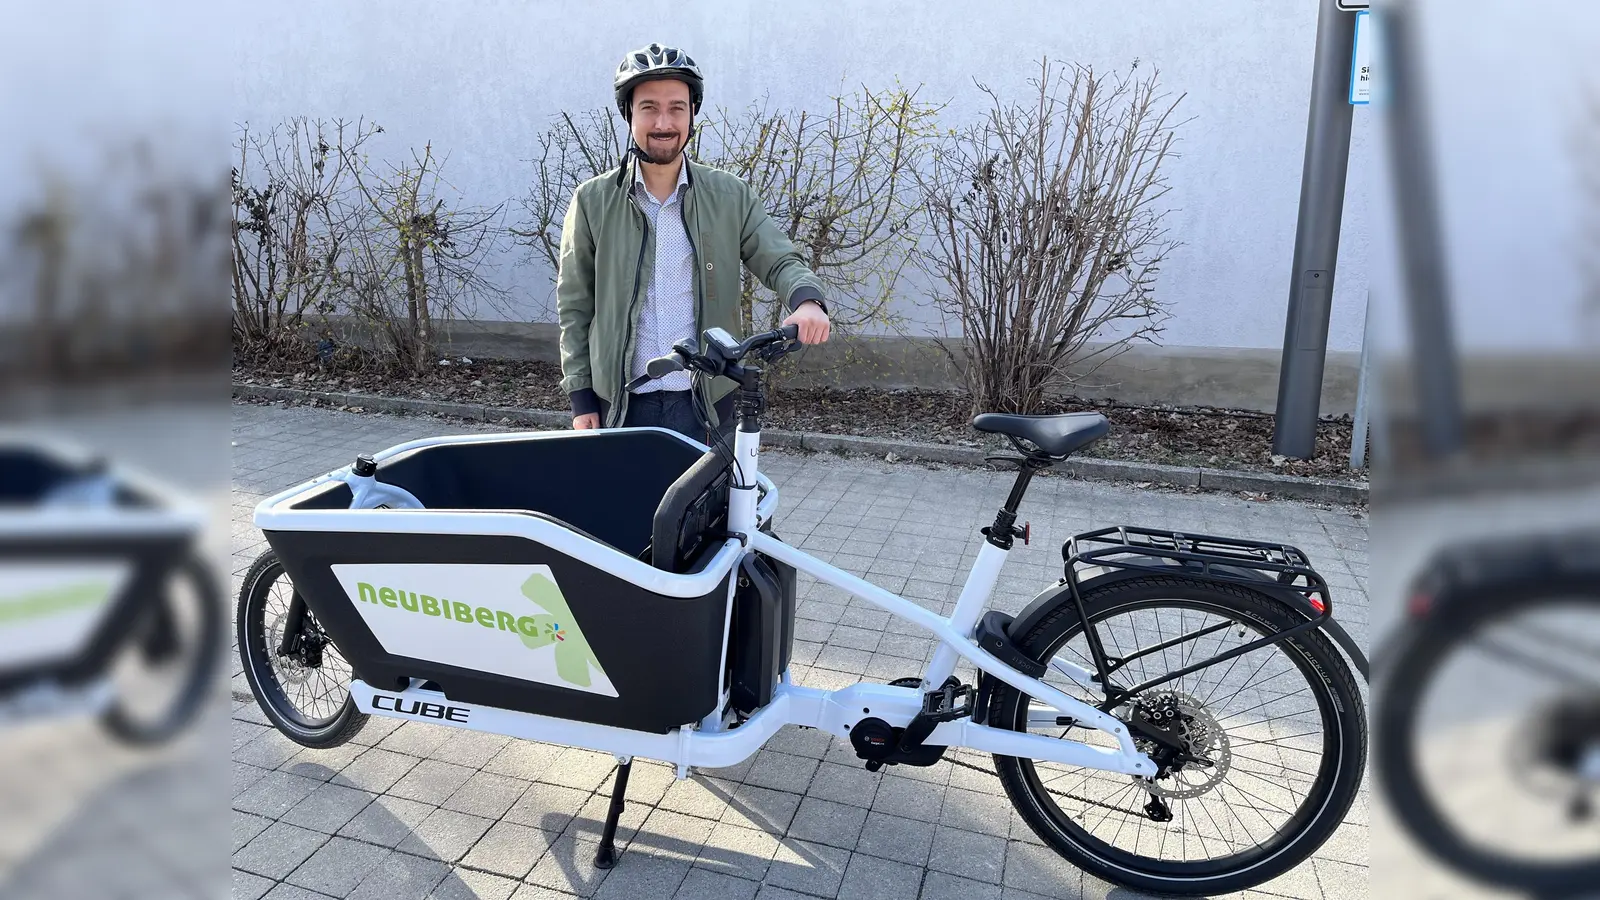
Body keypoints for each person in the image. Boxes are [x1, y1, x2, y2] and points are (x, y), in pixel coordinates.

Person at [556, 43, 831, 445]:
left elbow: (779, 259)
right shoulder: (593, 201)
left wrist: (807, 300)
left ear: (692, 114)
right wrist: (581, 396)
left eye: (676, 108)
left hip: (708, 401)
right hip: (620, 403)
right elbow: (575, 304)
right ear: (629, 114)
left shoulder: (729, 196)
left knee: (718, 490)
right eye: (649, 107)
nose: (663, 122)